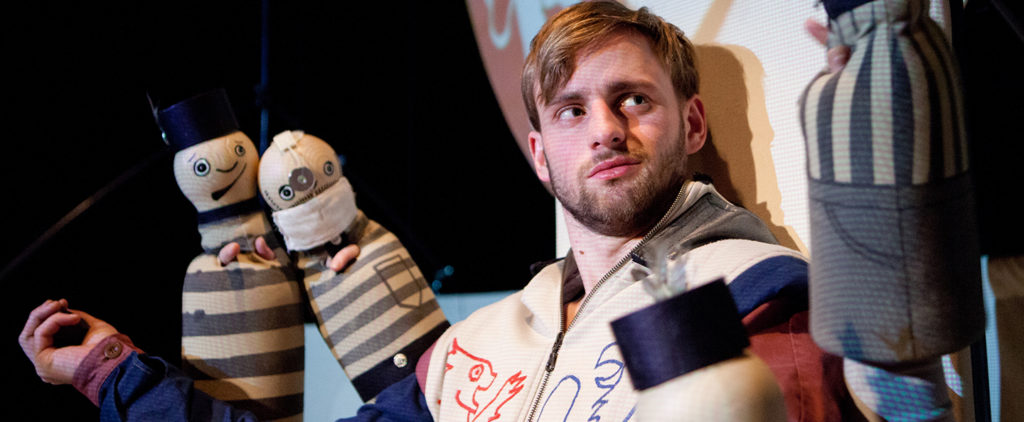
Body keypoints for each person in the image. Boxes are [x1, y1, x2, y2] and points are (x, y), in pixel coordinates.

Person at [20, 2, 859, 420]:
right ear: (540, 155)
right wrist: (112, 371)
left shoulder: (748, 295)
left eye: (633, 99)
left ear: (693, 123)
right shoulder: (483, 343)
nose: (605, 130)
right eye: (571, 110)